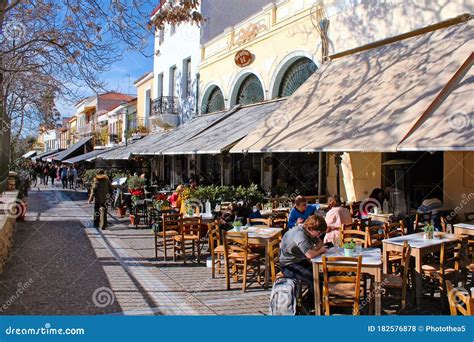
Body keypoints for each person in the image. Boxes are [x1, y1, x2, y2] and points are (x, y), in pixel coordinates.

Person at [280, 214, 327, 306]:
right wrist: (320, 250)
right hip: (289, 265)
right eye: (319, 232)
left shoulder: (307, 230)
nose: (320, 235)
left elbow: (319, 242)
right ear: (311, 229)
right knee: (315, 280)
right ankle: (309, 305)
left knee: (320, 275)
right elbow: (309, 255)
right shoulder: (300, 235)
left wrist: (318, 245)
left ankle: (315, 300)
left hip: (298, 260)